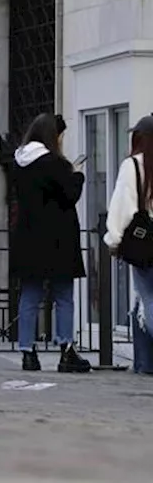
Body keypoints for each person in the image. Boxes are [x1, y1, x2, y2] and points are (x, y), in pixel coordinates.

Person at [9, 113, 91, 373]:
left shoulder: (19, 163)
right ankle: (66, 350)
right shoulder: (55, 163)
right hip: (57, 238)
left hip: (28, 238)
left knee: (30, 294)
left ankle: (27, 352)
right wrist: (77, 175)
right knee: (63, 296)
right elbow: (69, 195)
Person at [104, 113, 153, 371]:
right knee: (141, 304)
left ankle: (145, 363)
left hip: (146, 245)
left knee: (147, 300)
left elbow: (123, 207)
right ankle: (144, 363)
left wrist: (115, 239)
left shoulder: (134, 165)